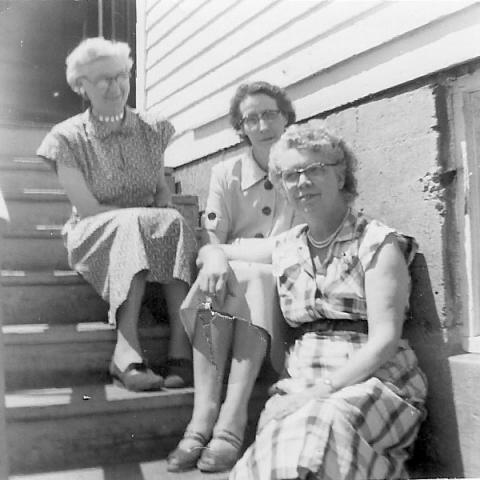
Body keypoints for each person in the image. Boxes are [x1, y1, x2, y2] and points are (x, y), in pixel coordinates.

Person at [194, 120, 428, 479]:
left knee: (319, 423)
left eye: (315, 169)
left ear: (340, 176)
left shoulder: (377, 243)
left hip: (376, 382)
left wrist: (319, 392)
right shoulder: (286, 245)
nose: (302, 182)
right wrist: (212, 257)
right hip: (301, 382)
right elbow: (218, 247)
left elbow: (384, 341)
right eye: (291, 174)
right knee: (283, 452)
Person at [36, 37, 197, 391]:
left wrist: (160, 207)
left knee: (173, 221)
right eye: (104, 79)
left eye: (122, 76)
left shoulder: (151, 128)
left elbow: (160, 191)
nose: (116, 86)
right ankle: (125, 352)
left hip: (138, 224)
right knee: (133, 222)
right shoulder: (65, 138)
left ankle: (181, 347)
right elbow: (89, 208)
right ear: (82, 86)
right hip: (93, 231)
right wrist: (142, 216)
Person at [167, 81, 300, 473]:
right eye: (251, 118)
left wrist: (224, 254)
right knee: (219, 280)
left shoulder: (301, 167)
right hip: (235, 282)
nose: (262, 125)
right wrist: (214, 259)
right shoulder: (226, 173)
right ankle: (203, 416)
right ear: (241, 128)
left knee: (254, 277)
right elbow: (209, 238)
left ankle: (232, 419)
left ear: (286, 117)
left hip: (285, 280)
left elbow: (293, 245)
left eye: (270, 114)